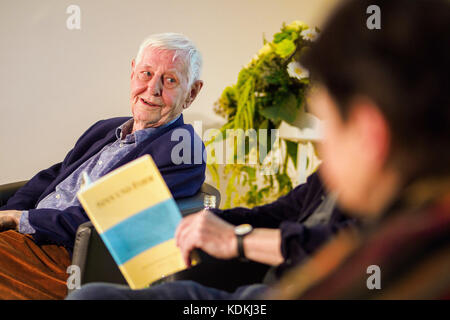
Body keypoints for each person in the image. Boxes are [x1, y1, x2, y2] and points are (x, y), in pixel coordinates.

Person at [67, 0, 450, 300]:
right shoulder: (389, 202)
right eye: (145, 74)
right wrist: (206, 226)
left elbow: (345, 245)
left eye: (326, 120)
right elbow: (281, 212)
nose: (324, 145)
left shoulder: (404, 247)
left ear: (370, 135)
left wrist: (237, 241)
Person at [0, 33, 206, 299]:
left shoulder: (182, 150)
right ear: (133, 73)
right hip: (22, 238)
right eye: (146, 73)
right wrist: (7, 214)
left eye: (170, 80)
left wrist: (21, 220)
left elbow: (111, 218)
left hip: (68, 258)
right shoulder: (106, 128)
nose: (152, 89)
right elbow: (52, 177)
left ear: (191, 93)